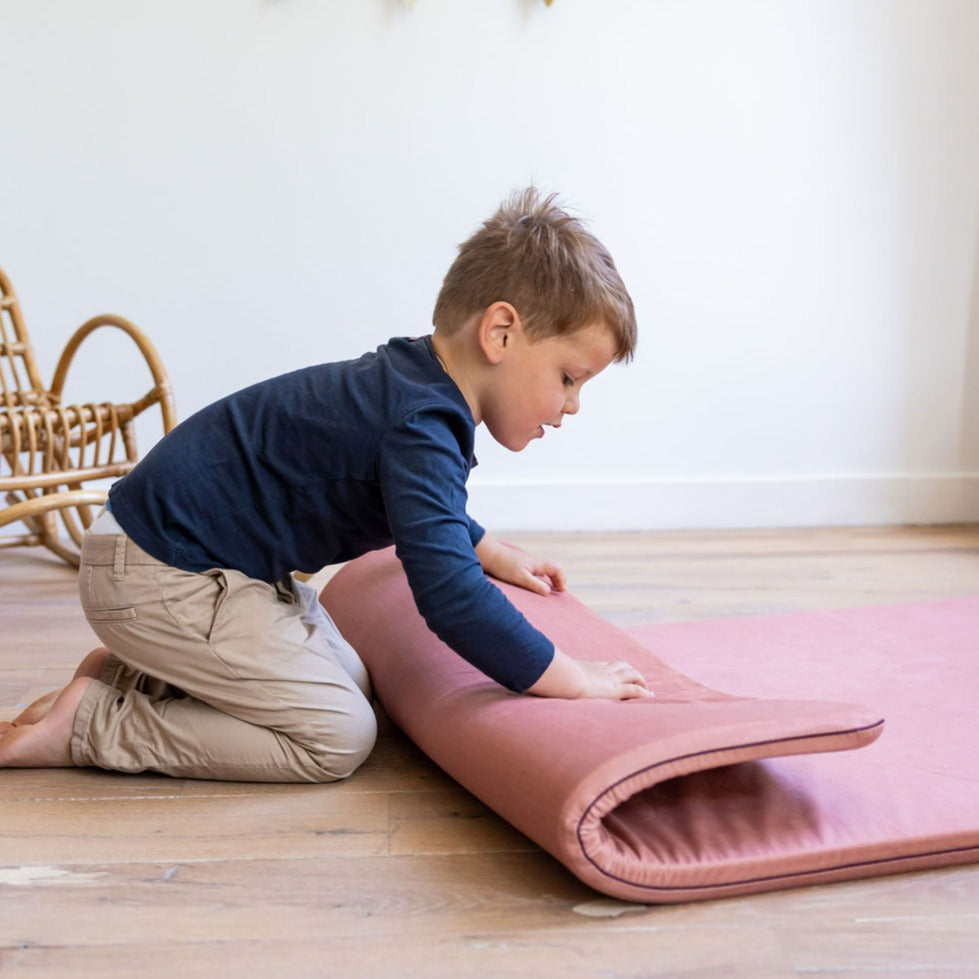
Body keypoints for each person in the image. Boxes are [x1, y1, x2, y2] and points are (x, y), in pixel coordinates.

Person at [0, 187, 652, 782]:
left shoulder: (413, 386)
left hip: (175, 558)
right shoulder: (421, 423)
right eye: (568, 377)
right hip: (155, 574)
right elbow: (450, 596)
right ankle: (95, 724)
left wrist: (488, 549)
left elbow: (417, 506)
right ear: (501, 331)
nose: (570, 406)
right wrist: (568, 676)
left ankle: (135, 678)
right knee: (337, 734)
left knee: (355, 678)